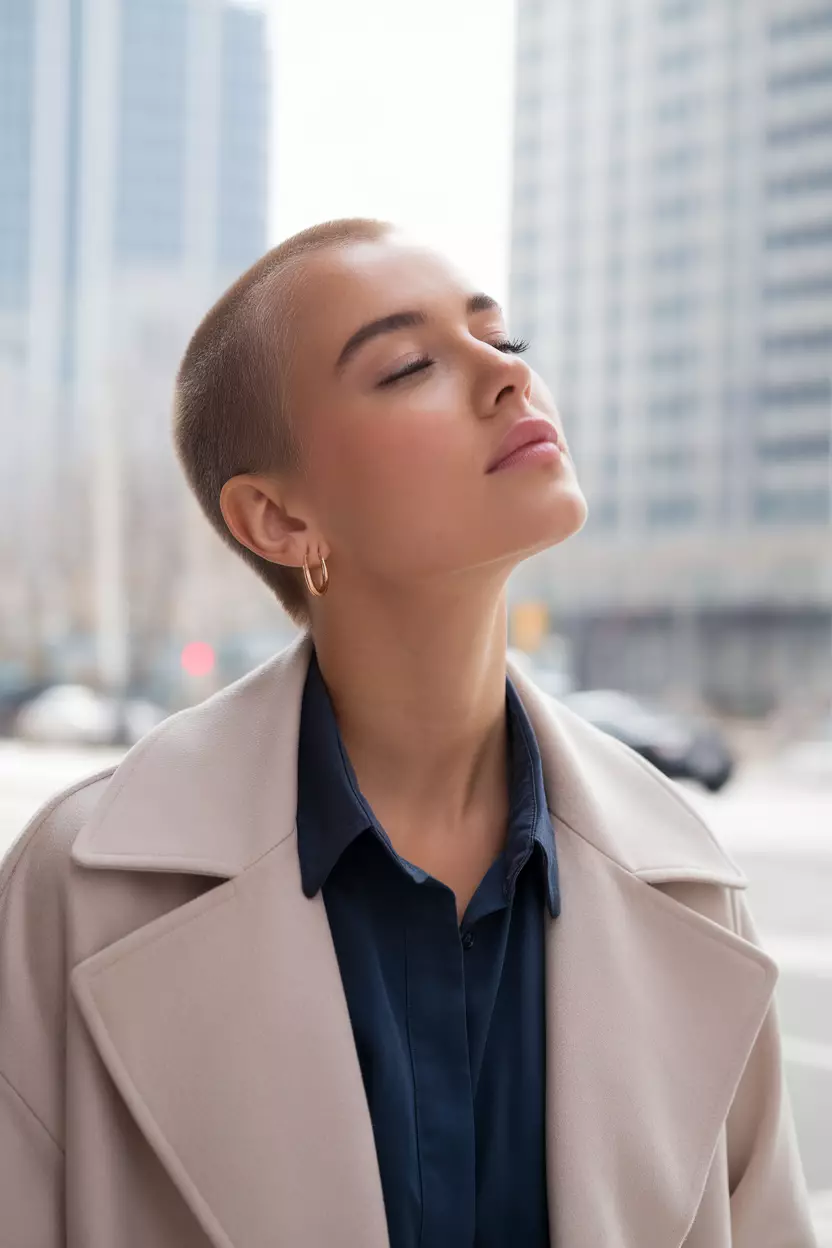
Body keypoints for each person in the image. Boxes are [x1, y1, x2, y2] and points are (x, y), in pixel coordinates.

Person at [0, 219, 817, 1248]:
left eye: (503, 340)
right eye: (408, 365)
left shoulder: (687, 884)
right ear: (279, 521)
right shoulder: (78, 889)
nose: (506, 379)